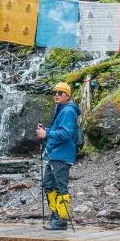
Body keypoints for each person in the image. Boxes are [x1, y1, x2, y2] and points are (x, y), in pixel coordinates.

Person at [37, 81, 80, 232]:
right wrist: (46, 130)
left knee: (59, 187)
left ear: (67, 95)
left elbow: (67, 133)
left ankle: (61, 220)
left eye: (60, 93)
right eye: (54, 92)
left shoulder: (68, 111)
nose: (56, 95)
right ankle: (56, 215)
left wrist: (46, 133)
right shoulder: (61, 109)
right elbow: (58, 130)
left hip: (62, 154)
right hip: (54, 154)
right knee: (48, 185)